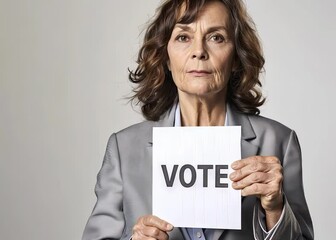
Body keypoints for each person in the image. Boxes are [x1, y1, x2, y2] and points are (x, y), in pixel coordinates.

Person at [82, 0, 313, 239]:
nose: (199, 51)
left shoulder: (279, 143)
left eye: (216, 37)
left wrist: (275, 209)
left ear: (235, 57)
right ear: (166, 58)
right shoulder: (124, 149)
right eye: (183, 37)